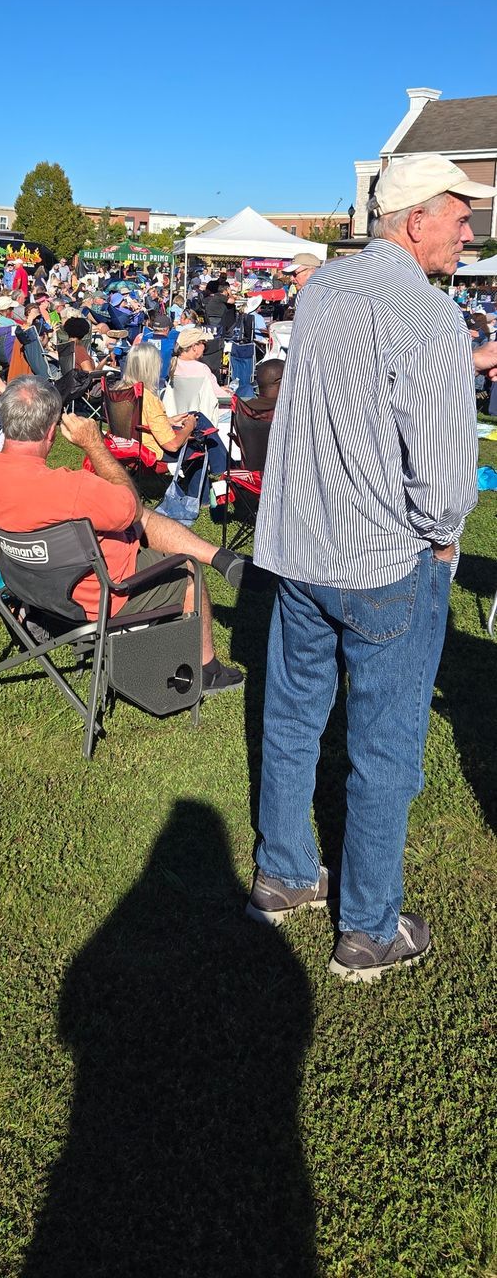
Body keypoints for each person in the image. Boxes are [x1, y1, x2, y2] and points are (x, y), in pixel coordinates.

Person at [248, 153, 497, 980]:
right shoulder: (428, 318)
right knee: (385, 749)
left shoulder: (323, 290)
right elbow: (445, 473)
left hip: (299, 544)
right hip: (381, 556)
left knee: (292, 719)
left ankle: (285, 872)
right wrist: (441, 535)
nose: (471, 231)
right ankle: (367, 928)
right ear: (415, 217)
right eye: (461, 216)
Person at [0, 376, 246, 693]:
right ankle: (208, 670)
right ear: (50, 432)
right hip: (100, 597)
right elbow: (131, 505)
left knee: (130, 523)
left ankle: (218, 557)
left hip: (29, 586)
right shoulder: (73, 489)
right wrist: (94, 444)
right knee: (188, 574)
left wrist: (20, 543)